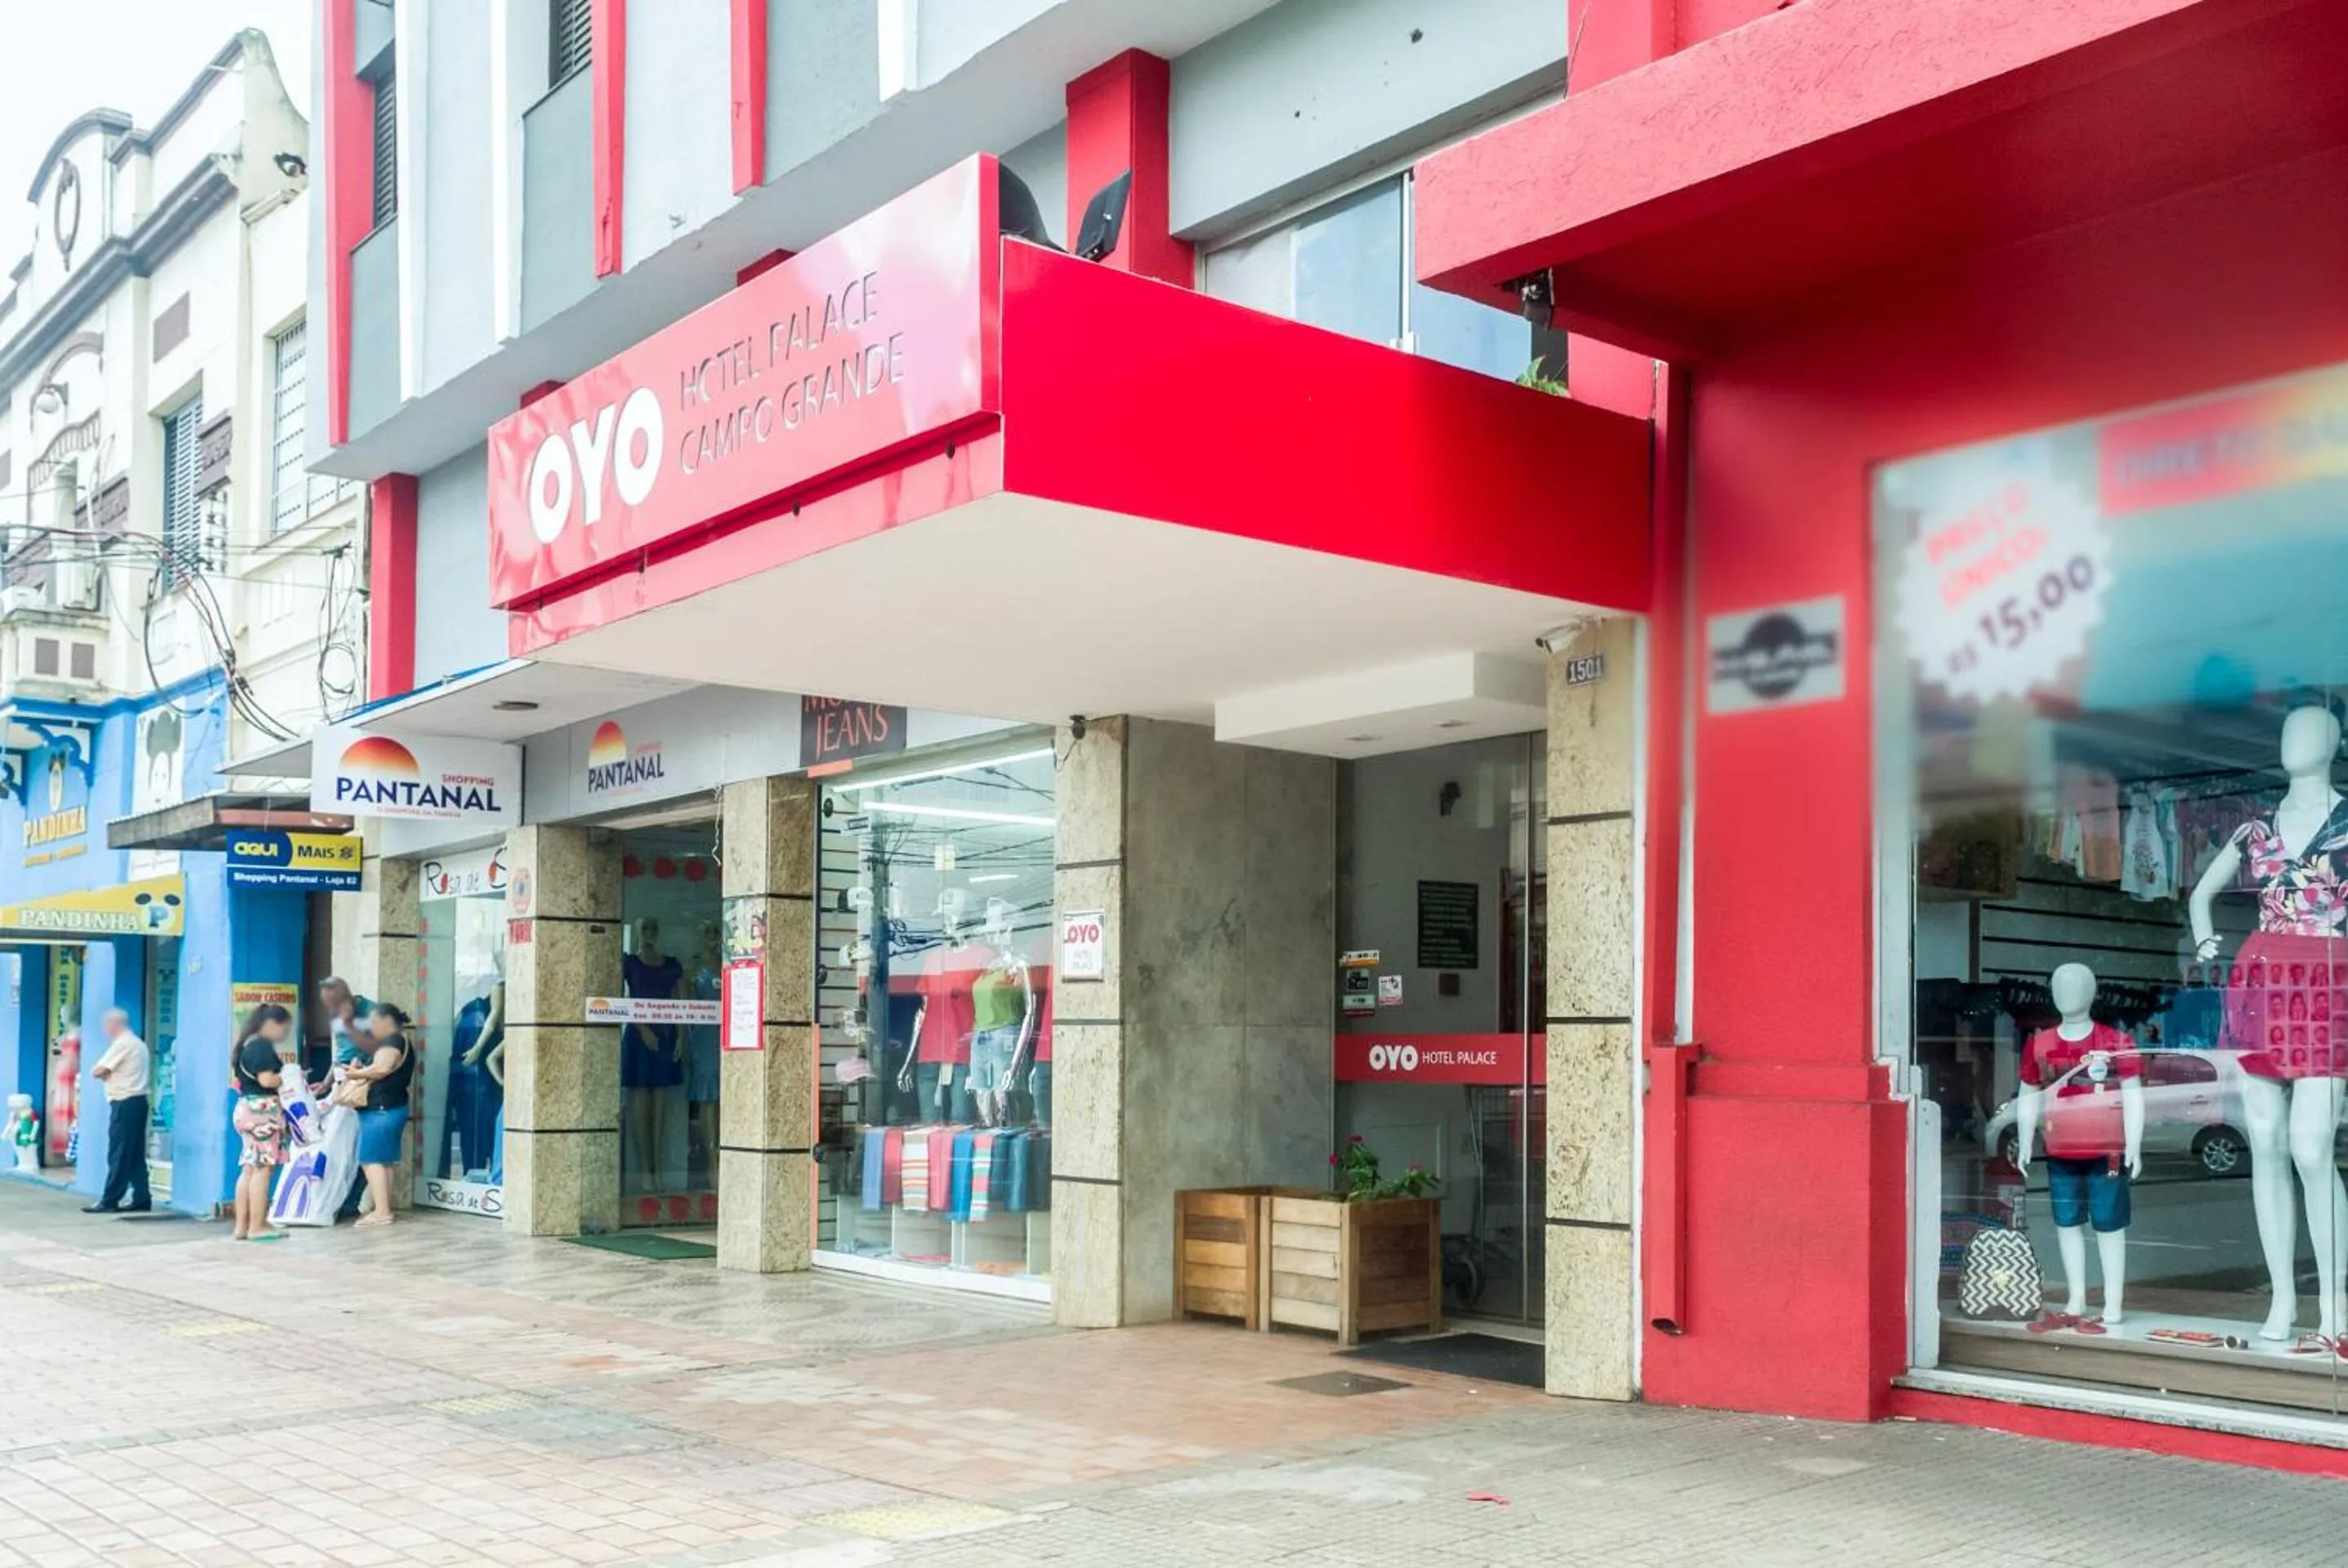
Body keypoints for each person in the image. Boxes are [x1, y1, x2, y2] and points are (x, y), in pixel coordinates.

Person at [342, 1003, 415, 1229]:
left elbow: (382, 1068)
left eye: (374, 1022)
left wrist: (356, 1073)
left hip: (381, 1110)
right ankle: (382, 1208)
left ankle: (382, 1212)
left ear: (386, 1021)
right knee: (384, 1161)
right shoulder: (401, 1041)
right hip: (393, 1107)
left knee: (370, 1160)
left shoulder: (393, 1041)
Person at [230, 1003, 295, 1241]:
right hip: (262, 1111)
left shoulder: (246, 1044)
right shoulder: (261, 1046)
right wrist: (287, 1078)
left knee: (249, 1169)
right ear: (271, 1025)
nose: (285, 1033)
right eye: (284, 1027)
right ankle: (257, 1226)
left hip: (246, 1108)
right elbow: (267, 1080)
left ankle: (242, 1227)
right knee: (263, 1169)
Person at [83, 1010, 152, 1214]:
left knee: (119, 1152)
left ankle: (110, 1199)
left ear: (114, 1025)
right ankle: (141, 1197)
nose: (105, 1031)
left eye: (107, 1026)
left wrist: (106, 1073)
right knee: (135, 1154)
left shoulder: (123, 1043)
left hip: (124, 1102)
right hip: (138, 1102)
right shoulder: (138, 1043)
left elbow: (97, 1070)